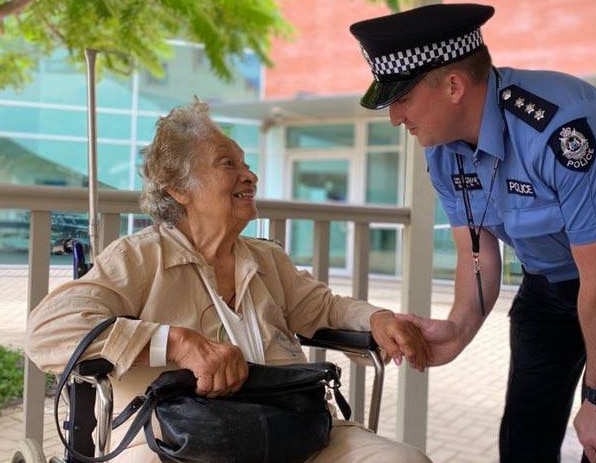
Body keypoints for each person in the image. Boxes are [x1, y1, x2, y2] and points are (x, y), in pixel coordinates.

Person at [350, 4, 596, 463]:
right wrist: (459, 326)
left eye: (402, 98)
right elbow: (479, 257)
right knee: (525, 430)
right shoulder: (441, 148)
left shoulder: (565, 130)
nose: (394, 117)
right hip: (549, 274)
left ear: (453, 85)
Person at [24, 98, 433, 463]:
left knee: (403, 459)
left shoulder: (266, 259)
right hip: (174, 441)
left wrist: (376, 318)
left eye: (247, 164)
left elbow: (325, 308)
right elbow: (47, 331)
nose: (249, 176)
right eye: (228, 164)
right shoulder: (140, 257)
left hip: (291, 429)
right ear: (180, 189)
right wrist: (177, 343)